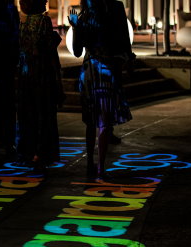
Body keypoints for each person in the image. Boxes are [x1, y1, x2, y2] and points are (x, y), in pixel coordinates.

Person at [69, 0, 134, 179]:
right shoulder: (114, 8)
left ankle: (92, 162)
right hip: (106, 70)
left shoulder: (85, 16)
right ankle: (100, 166)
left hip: (91, 70)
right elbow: (124, 39)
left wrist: (76, 27)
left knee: (91, 121)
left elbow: (76, 51)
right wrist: (128, 59)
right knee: (102, 121)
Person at [16, 0, 64, 173]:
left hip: (25, 73)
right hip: (41, 73)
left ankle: (26, 151)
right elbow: (43, 48)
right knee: (43, 113)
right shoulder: (43, 20)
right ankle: (41, 152)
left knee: (27, 114)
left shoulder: (23, 21)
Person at [0, 0, 20, 159]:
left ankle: (1, 138)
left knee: (0, 104)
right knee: (7, 105)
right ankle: (7, 140)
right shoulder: (8, 11)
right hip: (4, 65)